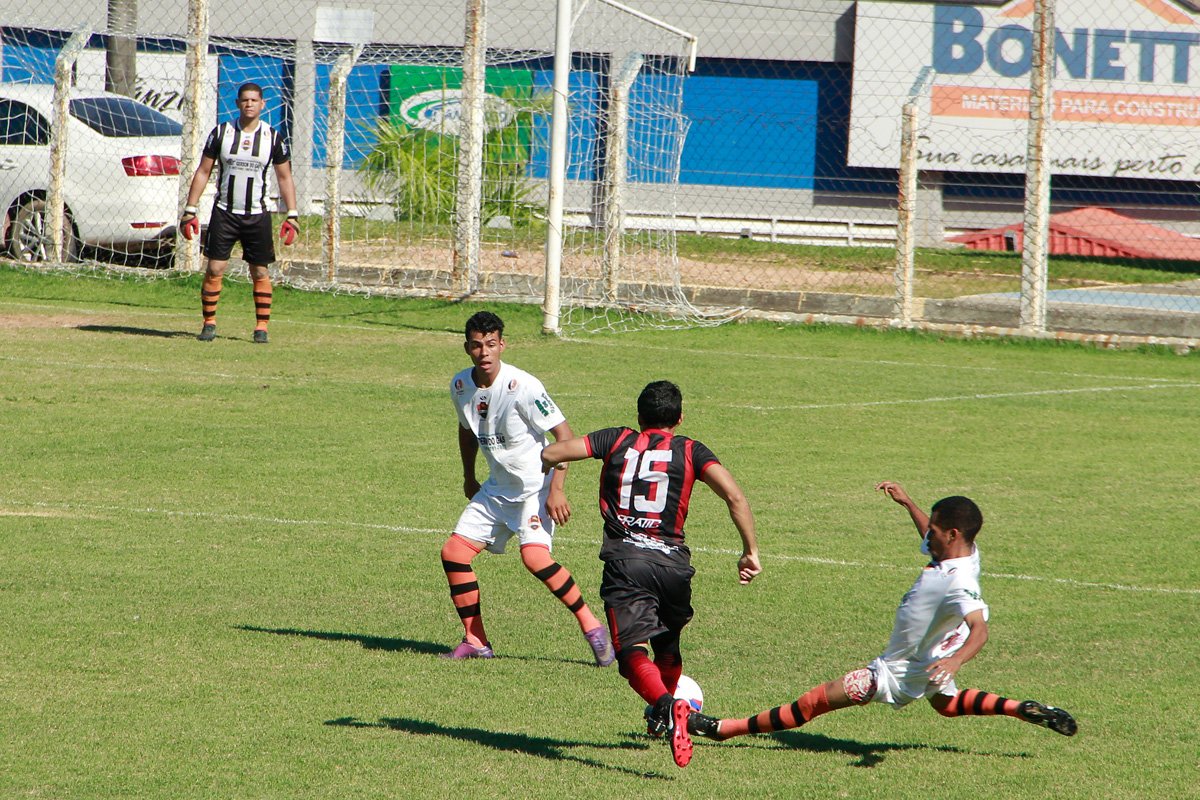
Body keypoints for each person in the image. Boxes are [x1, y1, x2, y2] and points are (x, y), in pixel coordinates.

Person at [686, 481, 1077, 743]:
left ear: (953, 535)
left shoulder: (957, 581)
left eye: (936, 531)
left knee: (811, 703)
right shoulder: (966, 552)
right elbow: (932, 536)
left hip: (895, 672)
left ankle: (721, 728)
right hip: (932, 657)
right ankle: (1020, 709)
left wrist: (957, 662)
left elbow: (980, 630)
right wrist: (908, 503)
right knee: (948, 705)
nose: (929, 535)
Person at [540, 380, 762, 768]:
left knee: (629, 655)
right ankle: (666, 718)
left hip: (627, 564)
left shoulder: (615, 439)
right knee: (667, 646)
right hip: (674, 566)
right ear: (679, 417)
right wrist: (750, 552)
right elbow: (735, 496)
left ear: (639, 416)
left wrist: (551, 471)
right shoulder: (691, 450)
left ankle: (667, 706)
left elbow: (554, 450)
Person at [441, 311, 614, 667]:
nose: (484, 352)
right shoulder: (460, 386)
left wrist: (557, 490)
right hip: (495, 490)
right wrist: (468, 476)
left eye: (491, 344)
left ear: (502, 345)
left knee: (534, 559)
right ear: (467, 348)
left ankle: (593, 629)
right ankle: (476, 640)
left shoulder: (524, 386)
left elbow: (564, 437)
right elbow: (466, 430)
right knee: (454, 554)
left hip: (536, 488)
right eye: (477, 345)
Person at [179, 82, 299, 344]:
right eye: (245, 100)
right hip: (225, 212)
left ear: (263, 104)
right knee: (214, 267)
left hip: (257, 214)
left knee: (260, 272)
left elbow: (285, 177)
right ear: (237, 103)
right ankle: (209, 323)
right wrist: (190, 209)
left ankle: (261, 327)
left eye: (254, 100)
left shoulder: (273, 138)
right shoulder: (221, 133)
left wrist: (292, 214)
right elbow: (203, 171)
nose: (249, 104)